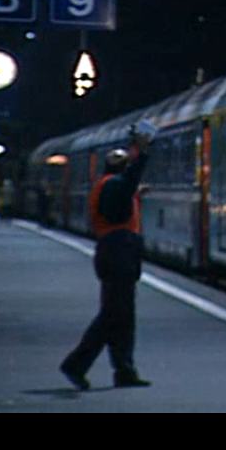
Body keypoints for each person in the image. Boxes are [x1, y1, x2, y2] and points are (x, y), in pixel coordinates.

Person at [60, 128, 153, 390]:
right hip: (119, 251)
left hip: (114, 251)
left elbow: (122, 195)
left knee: (122, 315)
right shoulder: (116, 186)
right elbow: (127, 184)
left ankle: (124, 369)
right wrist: (143, 153)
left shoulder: (108, 186)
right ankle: (76, 363)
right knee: (115, 314)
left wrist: (134, 192)